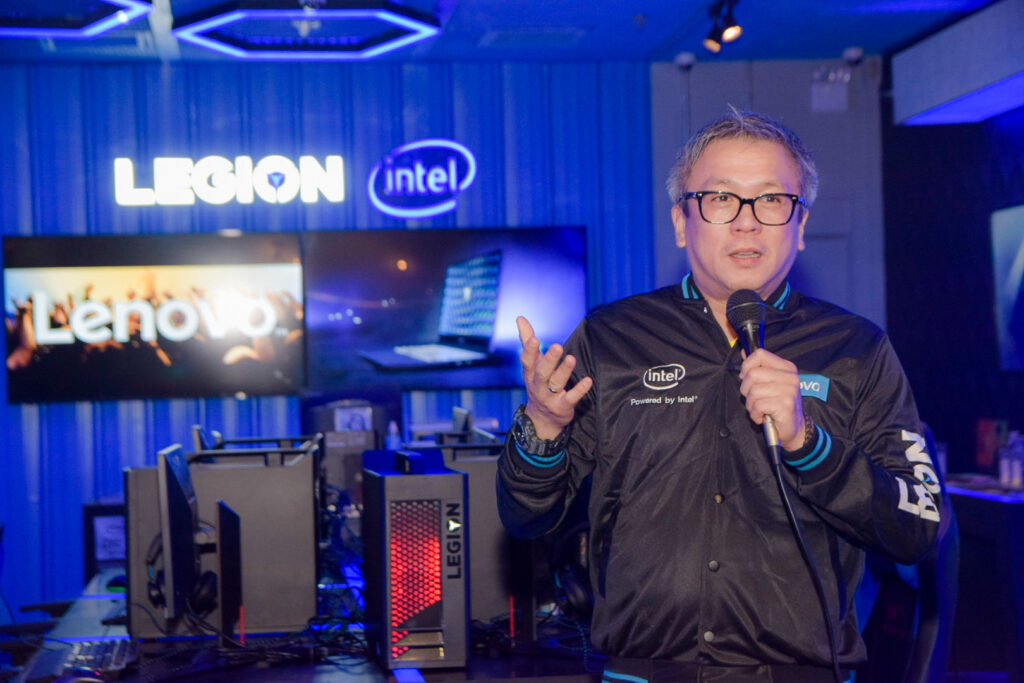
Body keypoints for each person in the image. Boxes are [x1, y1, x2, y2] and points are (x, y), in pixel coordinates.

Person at [497, 108, 942, 682]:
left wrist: (809, 444)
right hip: (642, 673)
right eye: (721, 198)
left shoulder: (857, 350)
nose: (747, 222)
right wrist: (542, 427)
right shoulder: (612, 339)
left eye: (772, 200)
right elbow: (525, 517)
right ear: (682, 222)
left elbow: (917, 528)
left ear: (800, 225)